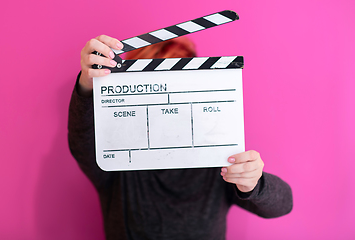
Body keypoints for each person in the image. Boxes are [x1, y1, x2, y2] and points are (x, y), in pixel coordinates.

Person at [68, 35, 293, 240]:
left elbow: (282, 205)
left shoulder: (217, 158)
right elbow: (82, 139)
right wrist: (88, 84)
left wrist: (254, 182)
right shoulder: (117, 160)